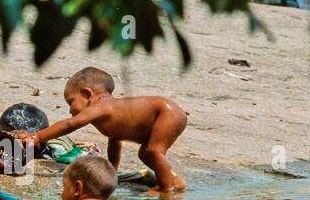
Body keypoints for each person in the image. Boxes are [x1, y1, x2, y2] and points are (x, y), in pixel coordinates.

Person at [16, 66, 189, 192]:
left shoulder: (101, 107)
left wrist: (39, 136)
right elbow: (115, 142)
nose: (70, 110)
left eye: (71, 102)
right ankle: (175, 180)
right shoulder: (112, 114)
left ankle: (166, 189)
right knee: (145, 154)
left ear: (87, 94)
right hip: (168, 114)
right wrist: (111, 174)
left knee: (153, 151)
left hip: (166, 114)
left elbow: (70, 124)